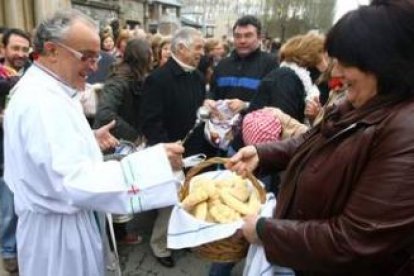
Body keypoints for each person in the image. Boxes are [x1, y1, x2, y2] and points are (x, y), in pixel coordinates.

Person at [227, 0, 414, 275]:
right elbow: (314, 140)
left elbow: (354, 240)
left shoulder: (405, 132)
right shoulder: (361, 102)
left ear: (383, 64)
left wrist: (267, 232)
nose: (335, 73)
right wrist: (263, 153)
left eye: (346, 63)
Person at [3, 9, 184, 276]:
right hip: (59, 238)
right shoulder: (41, 101)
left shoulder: (49, 88)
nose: (95, 66)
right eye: (86, 56)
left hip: (63, 223)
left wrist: (86, 140)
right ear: (52, 51)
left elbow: (48, 153)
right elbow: (71, 181)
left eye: (97, 56)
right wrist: (154, 162)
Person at [140, 27, 216, 268]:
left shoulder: (197, 76)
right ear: (181, 48)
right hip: (170, 152)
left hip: (197, 150)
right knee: (168, 204)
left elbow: (196, 114)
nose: (202, 53)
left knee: (191, 199)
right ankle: (160, 245)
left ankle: (187, 238)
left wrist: (209, 126)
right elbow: (150, 122)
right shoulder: (157, 79)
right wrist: (166, 153)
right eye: (198, 48)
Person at [94, 38, 153, 245]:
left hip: (122, 144)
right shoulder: (120, 80)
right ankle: (116, 237)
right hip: (115, 145)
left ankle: (116, 234)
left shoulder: (133, 77)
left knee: (120, 191)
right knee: (116, 192)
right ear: (143, 57)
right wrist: (133, 135)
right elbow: (105, 113)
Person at [0, 27, 31, 274]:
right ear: (4, 49)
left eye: (24, 48)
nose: (20, 53)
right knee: (8, 207)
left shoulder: (34, 74)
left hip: (28, 151)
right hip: (3, 151)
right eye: (15, 48)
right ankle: (10, 252)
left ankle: (28, 248)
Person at [206, 15, 277, 115]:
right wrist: (208, 101)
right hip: (221, 128)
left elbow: (275, 103)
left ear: (259, 37)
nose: (242, 41)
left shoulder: (271, 63)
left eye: (248, 35)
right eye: (238, 36)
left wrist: (246, 105)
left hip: (254, 128)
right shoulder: (223, 64)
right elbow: (213, 92)